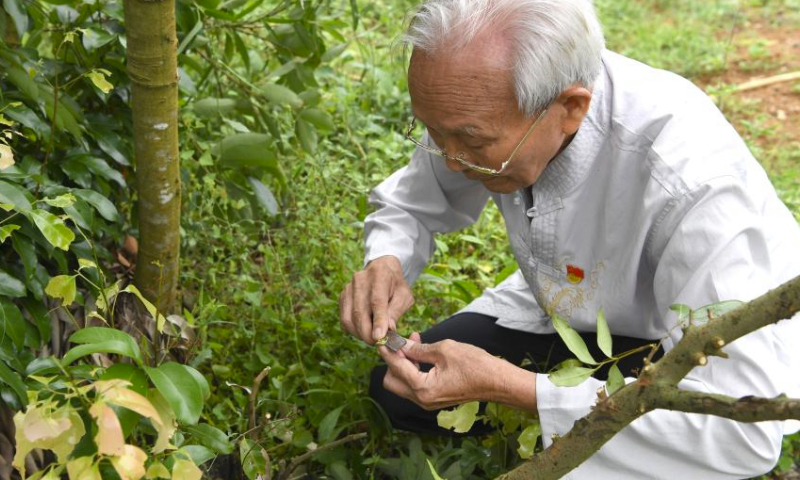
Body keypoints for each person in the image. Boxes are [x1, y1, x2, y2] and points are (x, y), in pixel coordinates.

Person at [337, 0, 800, 478]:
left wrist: (514, 389)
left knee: (677, 442)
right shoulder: (484, 102)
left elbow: (743, 433)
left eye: (472, 143)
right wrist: (388, 261)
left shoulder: (691, 180)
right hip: (577, 306)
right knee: (398, 392)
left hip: (679, 344)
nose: (451, 161)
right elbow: (414, 202)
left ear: (571, 108)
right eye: (435, 133)